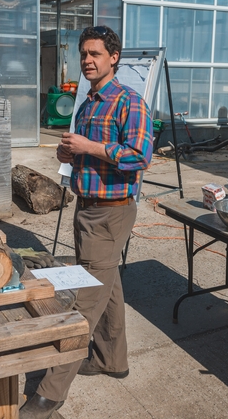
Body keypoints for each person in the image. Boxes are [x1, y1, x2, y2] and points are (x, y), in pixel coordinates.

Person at [19, 26, 153, 419]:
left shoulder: (130, 102)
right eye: (83, 54)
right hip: (86, 208)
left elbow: (139, 156)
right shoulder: (87, 103)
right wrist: (70, 151)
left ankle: (51, 391)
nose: (88, 61)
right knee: (106, 286)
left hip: (111, 212)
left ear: (114, 57)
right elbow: (89, 153)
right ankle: (113, 359)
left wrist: (89, 146)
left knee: (82, 302)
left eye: (95, 54)